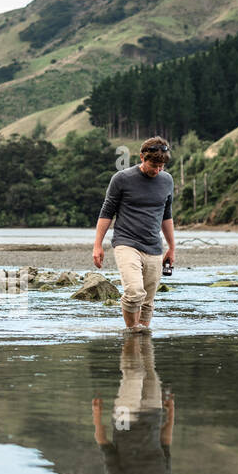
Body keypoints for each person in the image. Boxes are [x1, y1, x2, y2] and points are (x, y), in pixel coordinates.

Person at [91, 136, 175, 332]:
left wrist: (171, 247)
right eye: (154, 165)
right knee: (135, 292)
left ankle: (141, 345)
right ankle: (131, 333)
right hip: (126, 243)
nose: (157, 170)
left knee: (147, 301)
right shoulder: (121, 179)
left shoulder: (167, 180)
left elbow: (167, 215)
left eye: (161, 166)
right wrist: (97, 245)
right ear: (142, 157)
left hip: (154, 247)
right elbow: (106, 213)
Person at [92, 335, 174, 474]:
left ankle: (129, 337)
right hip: (154, 415)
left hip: (124, 421)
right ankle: (141, 334)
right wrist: (171, 411)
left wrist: (97, 414)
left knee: (134, 373)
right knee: (149, 367)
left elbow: (104, 444)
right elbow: (166, 442)